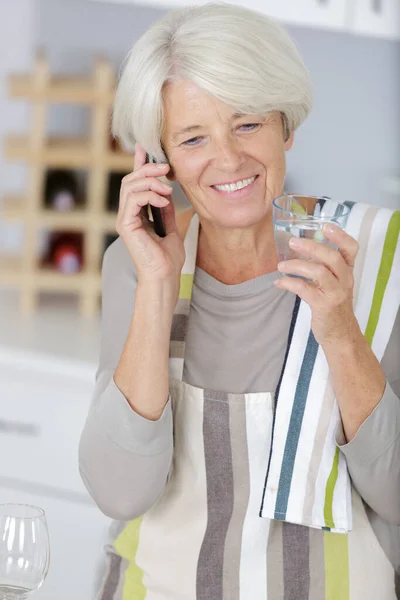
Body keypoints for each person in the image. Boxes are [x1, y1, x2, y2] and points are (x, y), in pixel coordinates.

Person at [79, 4, 400, 598]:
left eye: (247, 124)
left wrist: (337, 329)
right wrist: (157, 285)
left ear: (286, 125)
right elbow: (119, 492)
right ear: (160, 160)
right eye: (193, 138)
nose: (227, 160)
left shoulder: (384, 260)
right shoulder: (136, 265)